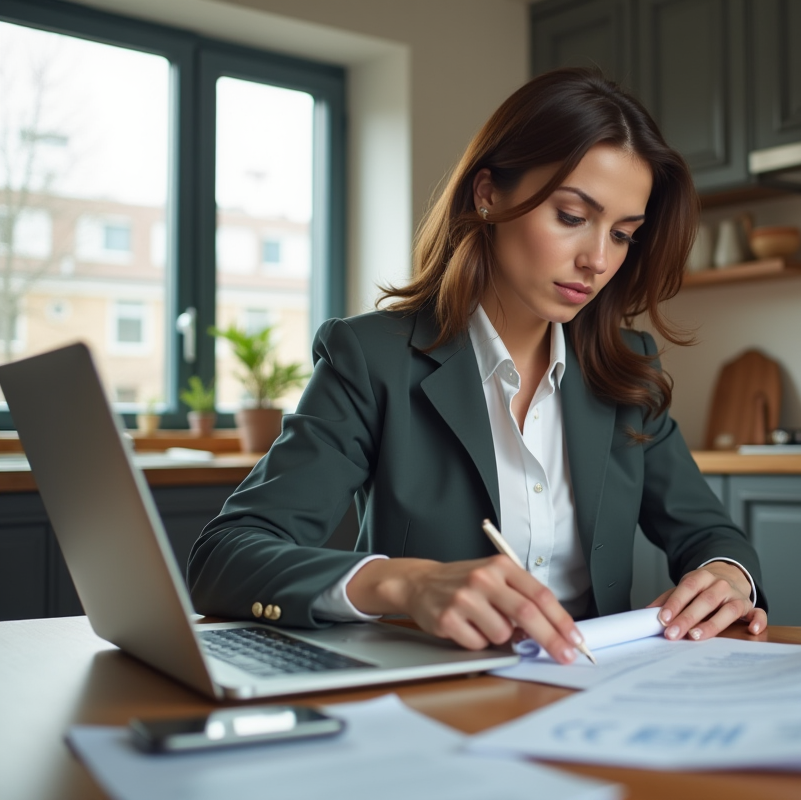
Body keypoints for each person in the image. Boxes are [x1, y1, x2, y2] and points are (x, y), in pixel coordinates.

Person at [188, 68, 767, 666]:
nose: (597, 259)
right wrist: (405, 584)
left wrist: (726, 575)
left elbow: (710, 536)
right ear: (487, 194)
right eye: (571, 217)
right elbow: (227, 556)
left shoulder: (627, 370)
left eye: (622, 235)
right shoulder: (371, 360)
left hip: (596, 693)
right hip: (435, 700)